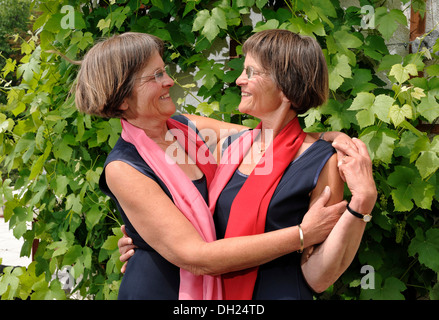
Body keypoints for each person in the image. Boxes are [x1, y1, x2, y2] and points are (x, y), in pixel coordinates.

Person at [75, 32, 351, 300]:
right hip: (162, 289)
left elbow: (268, 135)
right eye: (156, 75)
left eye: (165, 71)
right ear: (122, 98)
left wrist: (328, 138)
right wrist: (301, 235)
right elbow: (195, 257)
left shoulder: (188, 130)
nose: (170, 81)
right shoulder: (124, 167)